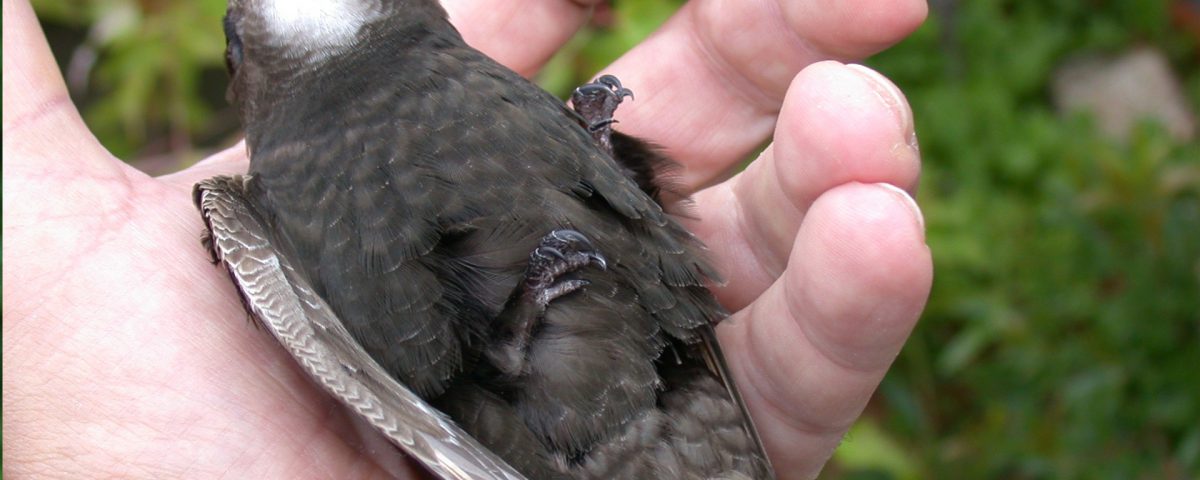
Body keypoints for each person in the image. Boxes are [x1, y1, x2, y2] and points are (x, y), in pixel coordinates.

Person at [1, 0, 933, 478]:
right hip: (555, 434)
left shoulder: (427, 43)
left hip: (665, 402)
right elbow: (413, 368)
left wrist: (594, 160)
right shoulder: (261, 195)